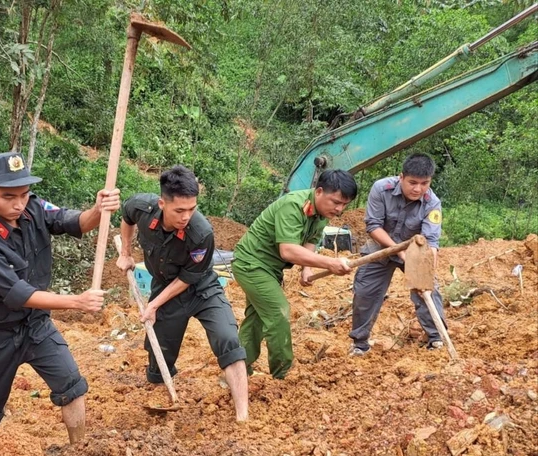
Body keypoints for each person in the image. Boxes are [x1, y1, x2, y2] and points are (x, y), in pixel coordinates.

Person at [0, 152, 120, 444]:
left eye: (24, 193)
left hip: (36, 325)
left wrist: (99, 209)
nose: (18, 203)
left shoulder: (32, 208)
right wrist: (78, 301)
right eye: (8, 196)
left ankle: (78, 452)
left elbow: (75, 223)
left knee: (72, 385)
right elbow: (19, 294)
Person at [117, 165, 249, 421]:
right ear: (162, 203)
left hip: (202, 289)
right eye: (179, 210)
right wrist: (126, 252)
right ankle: (159, 399)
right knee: (160, 355)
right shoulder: (142, 208)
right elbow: (126, 216)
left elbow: (189, 277)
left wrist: (153, 305)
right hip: (165, 286)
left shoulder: (201, 233)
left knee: (228, 338)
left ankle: (242, 417)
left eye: (192, 208)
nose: (186, 216)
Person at [233, 170, 357, 379]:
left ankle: (237, 371)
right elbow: (288, 250)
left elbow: (310, 241)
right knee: (278, 312)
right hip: (251, 264)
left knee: (255, 320)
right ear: (319, 192)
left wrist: (306, 269)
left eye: (344, 205)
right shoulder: (293, 205)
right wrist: (331, 262)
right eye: (336, 202)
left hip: (271, 269)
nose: (339, 209)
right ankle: (283, 375)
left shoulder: (322, 213)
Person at [349, 153, 445, 356]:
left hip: (415, 252)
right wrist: (400, 251)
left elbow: (432, 242)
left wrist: (426, 269)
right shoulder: (381, 189)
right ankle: (360, 344)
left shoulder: (432, 203)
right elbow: (373, 226)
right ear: (401, 177)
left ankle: (437, 339)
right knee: (365, 293)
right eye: (412, 182)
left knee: (428, 291)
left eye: (424, 183)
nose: (417, 189)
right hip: (380, 246)